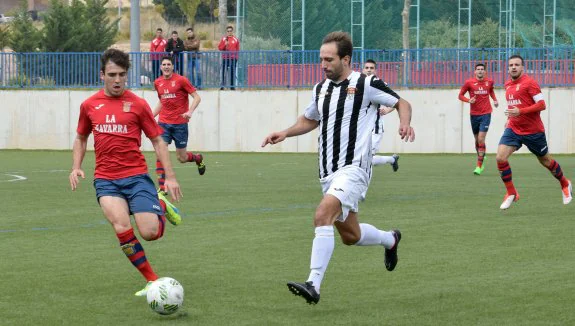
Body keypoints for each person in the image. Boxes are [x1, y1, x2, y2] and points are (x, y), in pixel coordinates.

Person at [261, 31, 415, 305]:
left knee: (322, 215)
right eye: (321, 59)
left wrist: (404, 123)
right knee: (350, 236)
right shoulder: (320, 89)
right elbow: (310, 119)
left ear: (346, 59)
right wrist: (285, 132)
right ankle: (390, 239)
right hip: (327, 172)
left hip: (354, 168)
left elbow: (402, 102)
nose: (323, 64)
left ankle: (313, 284)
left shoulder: (366, 83)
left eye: (329, 59)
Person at [69, 49, 184, 297]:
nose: (118, 79)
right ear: (102, 75)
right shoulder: (89, 105)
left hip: (136, 177)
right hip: (106, 180)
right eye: (112, 74)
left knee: (149, 233)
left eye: (122, 74)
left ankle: (160, 206)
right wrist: (76, 166)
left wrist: (171, 176)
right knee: (121, 227)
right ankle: (153, 281)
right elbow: (80, 137)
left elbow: (158, 141)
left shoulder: (139, 105)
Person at [496, 54, 572, 210]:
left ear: (522, 67)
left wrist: (521, 112)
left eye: (517, 65)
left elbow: (542, 105)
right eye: (511, 65)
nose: (514, 67)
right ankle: (511, 193)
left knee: (545, 161)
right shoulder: (507, 84)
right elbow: (514, 106)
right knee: (500, 158)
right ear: (508, 68)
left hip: (533, 131)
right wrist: (510, 119)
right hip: (514, 129)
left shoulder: (530, 83)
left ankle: (565, 183)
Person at [153, 55, 206, 193]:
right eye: (163, 64)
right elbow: (161, 101)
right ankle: (162, 187)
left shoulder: (181, 80)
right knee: (160, 152)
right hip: (163, 123)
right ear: (160, 67)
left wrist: (190, 112)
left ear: (172, 66)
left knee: (181, 158)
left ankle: (197, 158)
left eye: (168, 64)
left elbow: (197, 97)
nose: (166, 67)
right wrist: (150, 116)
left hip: (180, 124)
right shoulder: (157, 82)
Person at [458, 63, 499, 175]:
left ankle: (479, 166)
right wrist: (468, 100)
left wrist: (495, 100)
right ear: (475, 71)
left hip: (486, 113)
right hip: (474, 115)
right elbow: (460, 95)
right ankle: (482, 156)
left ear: (485, 72)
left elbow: (491, 91)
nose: (480, 71)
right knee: (477, 140)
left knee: (481, 139)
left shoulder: (489, 82)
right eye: (478, 69)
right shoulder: (469, 83)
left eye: (482, 69)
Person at [363, 59, 399, 172]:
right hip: (361, 128)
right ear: (363, 69)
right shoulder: (357, 85)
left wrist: (387, 110)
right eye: (367, 68)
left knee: (368, 159)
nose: (369, 70)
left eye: (371, 68)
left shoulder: (380, 85)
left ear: (375, 70)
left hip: (375, 128)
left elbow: (397, 101)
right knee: (361, 158)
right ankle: (392, 159)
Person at [217, 25, 240, 90]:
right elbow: (220, 48)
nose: (229, 32)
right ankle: (222, 86)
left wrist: (236, 58)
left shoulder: (235, 39)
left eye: (230, 31)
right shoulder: (224, 39)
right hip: (225, 58)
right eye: (228, 31)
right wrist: (225, 44)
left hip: (233, 59)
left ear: (232, 31)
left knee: (232, 72)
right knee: (223, 72)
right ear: (226, 32)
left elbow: (237, 50)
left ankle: (232, 86)